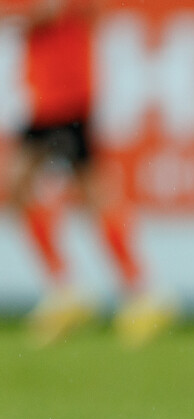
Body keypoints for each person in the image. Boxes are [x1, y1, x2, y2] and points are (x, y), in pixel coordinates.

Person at [3, 0, 177, 346]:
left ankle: (135, 292)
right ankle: (113, 292)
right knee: (58, 190)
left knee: (83, 191)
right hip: (46, 97)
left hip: (66, 95)